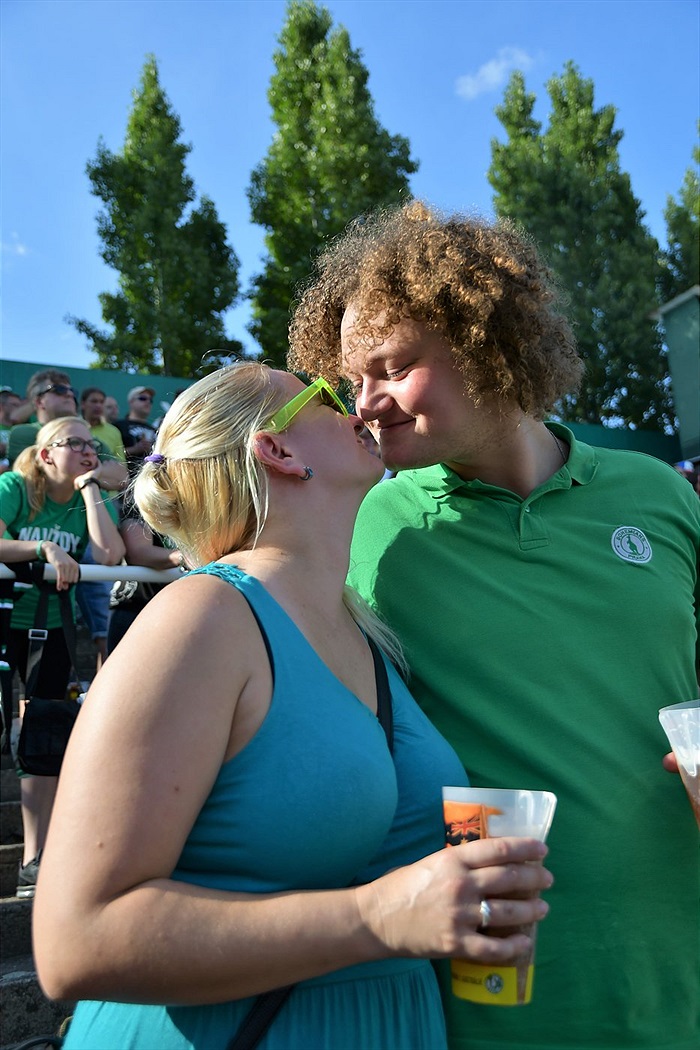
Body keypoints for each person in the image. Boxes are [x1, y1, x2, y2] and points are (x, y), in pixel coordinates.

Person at [33, 362, 552, 1050]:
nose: (361, 408)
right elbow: (75, 941)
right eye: (330, 397)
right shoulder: (200, 618)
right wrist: (376, 918)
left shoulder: (367, 633)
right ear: (276, 449)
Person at [288, 201, 700, 1050]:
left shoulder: (658, 492)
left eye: (392, 368)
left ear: (485, 342)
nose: (365, 405)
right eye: (351, 381)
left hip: (679, 966)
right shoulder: (360, 521)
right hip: (494, 993)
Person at [0, 416, 124, 897]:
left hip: (50, 626)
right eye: (75, 443)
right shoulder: (14, 486)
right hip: (6, 622)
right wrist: (44, 547)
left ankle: (34, 859)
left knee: (43, 738)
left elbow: (108, 556)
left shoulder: (80, 495)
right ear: (46, 453)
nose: (89, 450)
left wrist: (90, 486)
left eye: (93, 444)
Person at [8, 370, 127, 492]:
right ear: (39, 401)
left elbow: (121, 478)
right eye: (59, 390)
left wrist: (69, 470)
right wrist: (96, 472)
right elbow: (34, 477)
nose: (69, 394)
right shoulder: (24, 433)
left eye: (72, 391)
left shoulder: (90, 439)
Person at [115, 385, 157, 477]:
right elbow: (111, 453)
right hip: (127, 479)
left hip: (151, 478)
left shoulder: (154, 430)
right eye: (143, 398)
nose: (148, 402)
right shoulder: (119, 426)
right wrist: (135, 449)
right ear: (131, 402)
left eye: (150, 400)